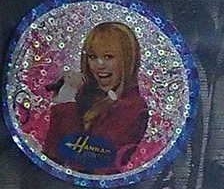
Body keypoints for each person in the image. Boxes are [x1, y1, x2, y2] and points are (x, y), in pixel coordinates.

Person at [42, 19, 150, 177]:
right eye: (93, 57)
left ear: (127, 60)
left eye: (109, 57)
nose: (99, 65)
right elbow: (52, 153)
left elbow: (83, 159)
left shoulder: (133, 108)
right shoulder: (84, 96)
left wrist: (67, 102)